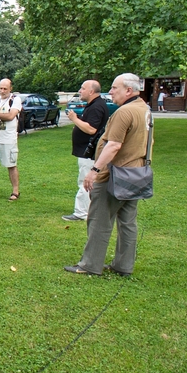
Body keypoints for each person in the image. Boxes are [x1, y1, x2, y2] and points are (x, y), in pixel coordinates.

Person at [65, 73, 153, 276]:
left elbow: (113, 145)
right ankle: (123, 266)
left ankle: (90, 265)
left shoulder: (125, 112)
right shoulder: (144, 109)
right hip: (136, 174)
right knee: (128, 223)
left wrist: (95, 171)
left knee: (99, 220)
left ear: (128, 90)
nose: (110, 91)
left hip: (116, 175)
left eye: (114, 88)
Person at [62, 80, 110, 221]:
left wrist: (74, 119)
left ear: (91, 91)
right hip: (87, 150)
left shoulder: (96, 107)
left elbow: (91, 129)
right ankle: (91, 209)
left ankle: (81, 212)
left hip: (89, 152)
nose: (80, 90)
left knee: (86, 180)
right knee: (89, 180)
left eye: (83, 88)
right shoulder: (95, 105)